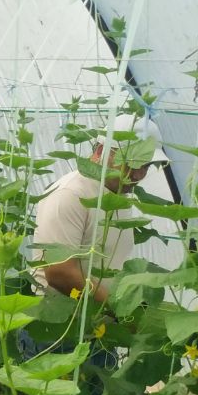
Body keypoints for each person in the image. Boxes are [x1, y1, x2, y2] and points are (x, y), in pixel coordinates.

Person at [32, 113, 169, 302]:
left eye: (146, 165)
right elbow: (59, 273)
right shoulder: (70, 194)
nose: (138, 175)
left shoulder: (117, 193)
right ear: (100, 152)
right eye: (132, 163)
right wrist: (116, 310)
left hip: (98, 323)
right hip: (61, 323)